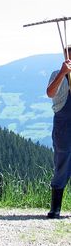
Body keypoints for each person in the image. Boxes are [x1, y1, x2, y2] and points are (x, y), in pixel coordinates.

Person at [46, 49, 71, 218]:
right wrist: (63, 73)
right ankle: (55, 209)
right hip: (63, 126)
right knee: (61, 164)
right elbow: (50, 93)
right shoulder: (57, 73)